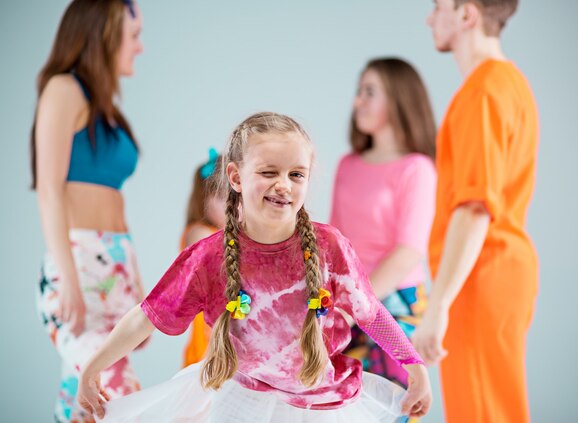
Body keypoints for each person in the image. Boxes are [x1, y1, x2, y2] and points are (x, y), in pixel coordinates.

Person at [77, 112, 433, 422]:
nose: (284, 184)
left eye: (297, 174)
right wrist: (94, 367)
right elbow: (146, 316)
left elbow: (370, 314)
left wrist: (414, 365)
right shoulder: (208, 256)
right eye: (268, 172)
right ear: (235, 177)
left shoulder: (330, 247)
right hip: (242, 399)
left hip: (319, 404)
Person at [413, 1, 539, 422]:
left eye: (438, 7)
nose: (430, 18)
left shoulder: (482, 92)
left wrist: (438, 306)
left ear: (467, 14)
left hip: (480, 278)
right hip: (495, 274)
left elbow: (474, 207)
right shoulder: (508, 83)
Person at [31, 0, 145, 421]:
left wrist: (137, 287)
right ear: (105, 36)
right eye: (134, 36)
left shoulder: (106, 110)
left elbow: (116, 202)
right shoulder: (64, 89)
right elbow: (49, 190)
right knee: (118, 400)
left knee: (83, 405)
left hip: (115, 272)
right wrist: (70, 284)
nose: (140, 47)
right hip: (77, 268)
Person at [330, 58, 437, 391]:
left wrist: (355, 303)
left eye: (369, 92)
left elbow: (408, 251)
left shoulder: (416, 169)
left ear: (398, 100)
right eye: (358, 91)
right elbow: (333, 241)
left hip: (396, 304)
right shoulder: (347, 165)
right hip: (346, 302)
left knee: (395, 407)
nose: (357, 101)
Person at [181, 148, 226, 367]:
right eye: (220, 197)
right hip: (207, 344)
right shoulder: (200, 233)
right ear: (203, 200)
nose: (230, 205)